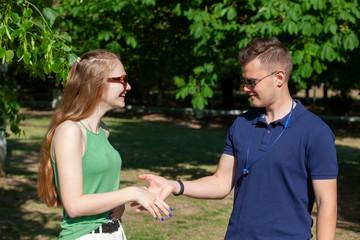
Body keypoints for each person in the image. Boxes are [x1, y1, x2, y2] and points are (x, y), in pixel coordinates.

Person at [137, 37, 338, 239]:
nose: (245, 88)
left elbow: (326, 203)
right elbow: (221, 183)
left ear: (279, 77)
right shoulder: (242, 124)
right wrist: (175, 185)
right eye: (244, 81)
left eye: (252, 82)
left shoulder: (315, 132)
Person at [38, 49, 172, 240]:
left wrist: (115, 203)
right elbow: (74, 206)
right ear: (97, 85)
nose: (129, 87)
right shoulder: (70, 131)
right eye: (122, 80)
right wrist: (131, 193)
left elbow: (96, 189)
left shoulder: (103, 130)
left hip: (114, 232)